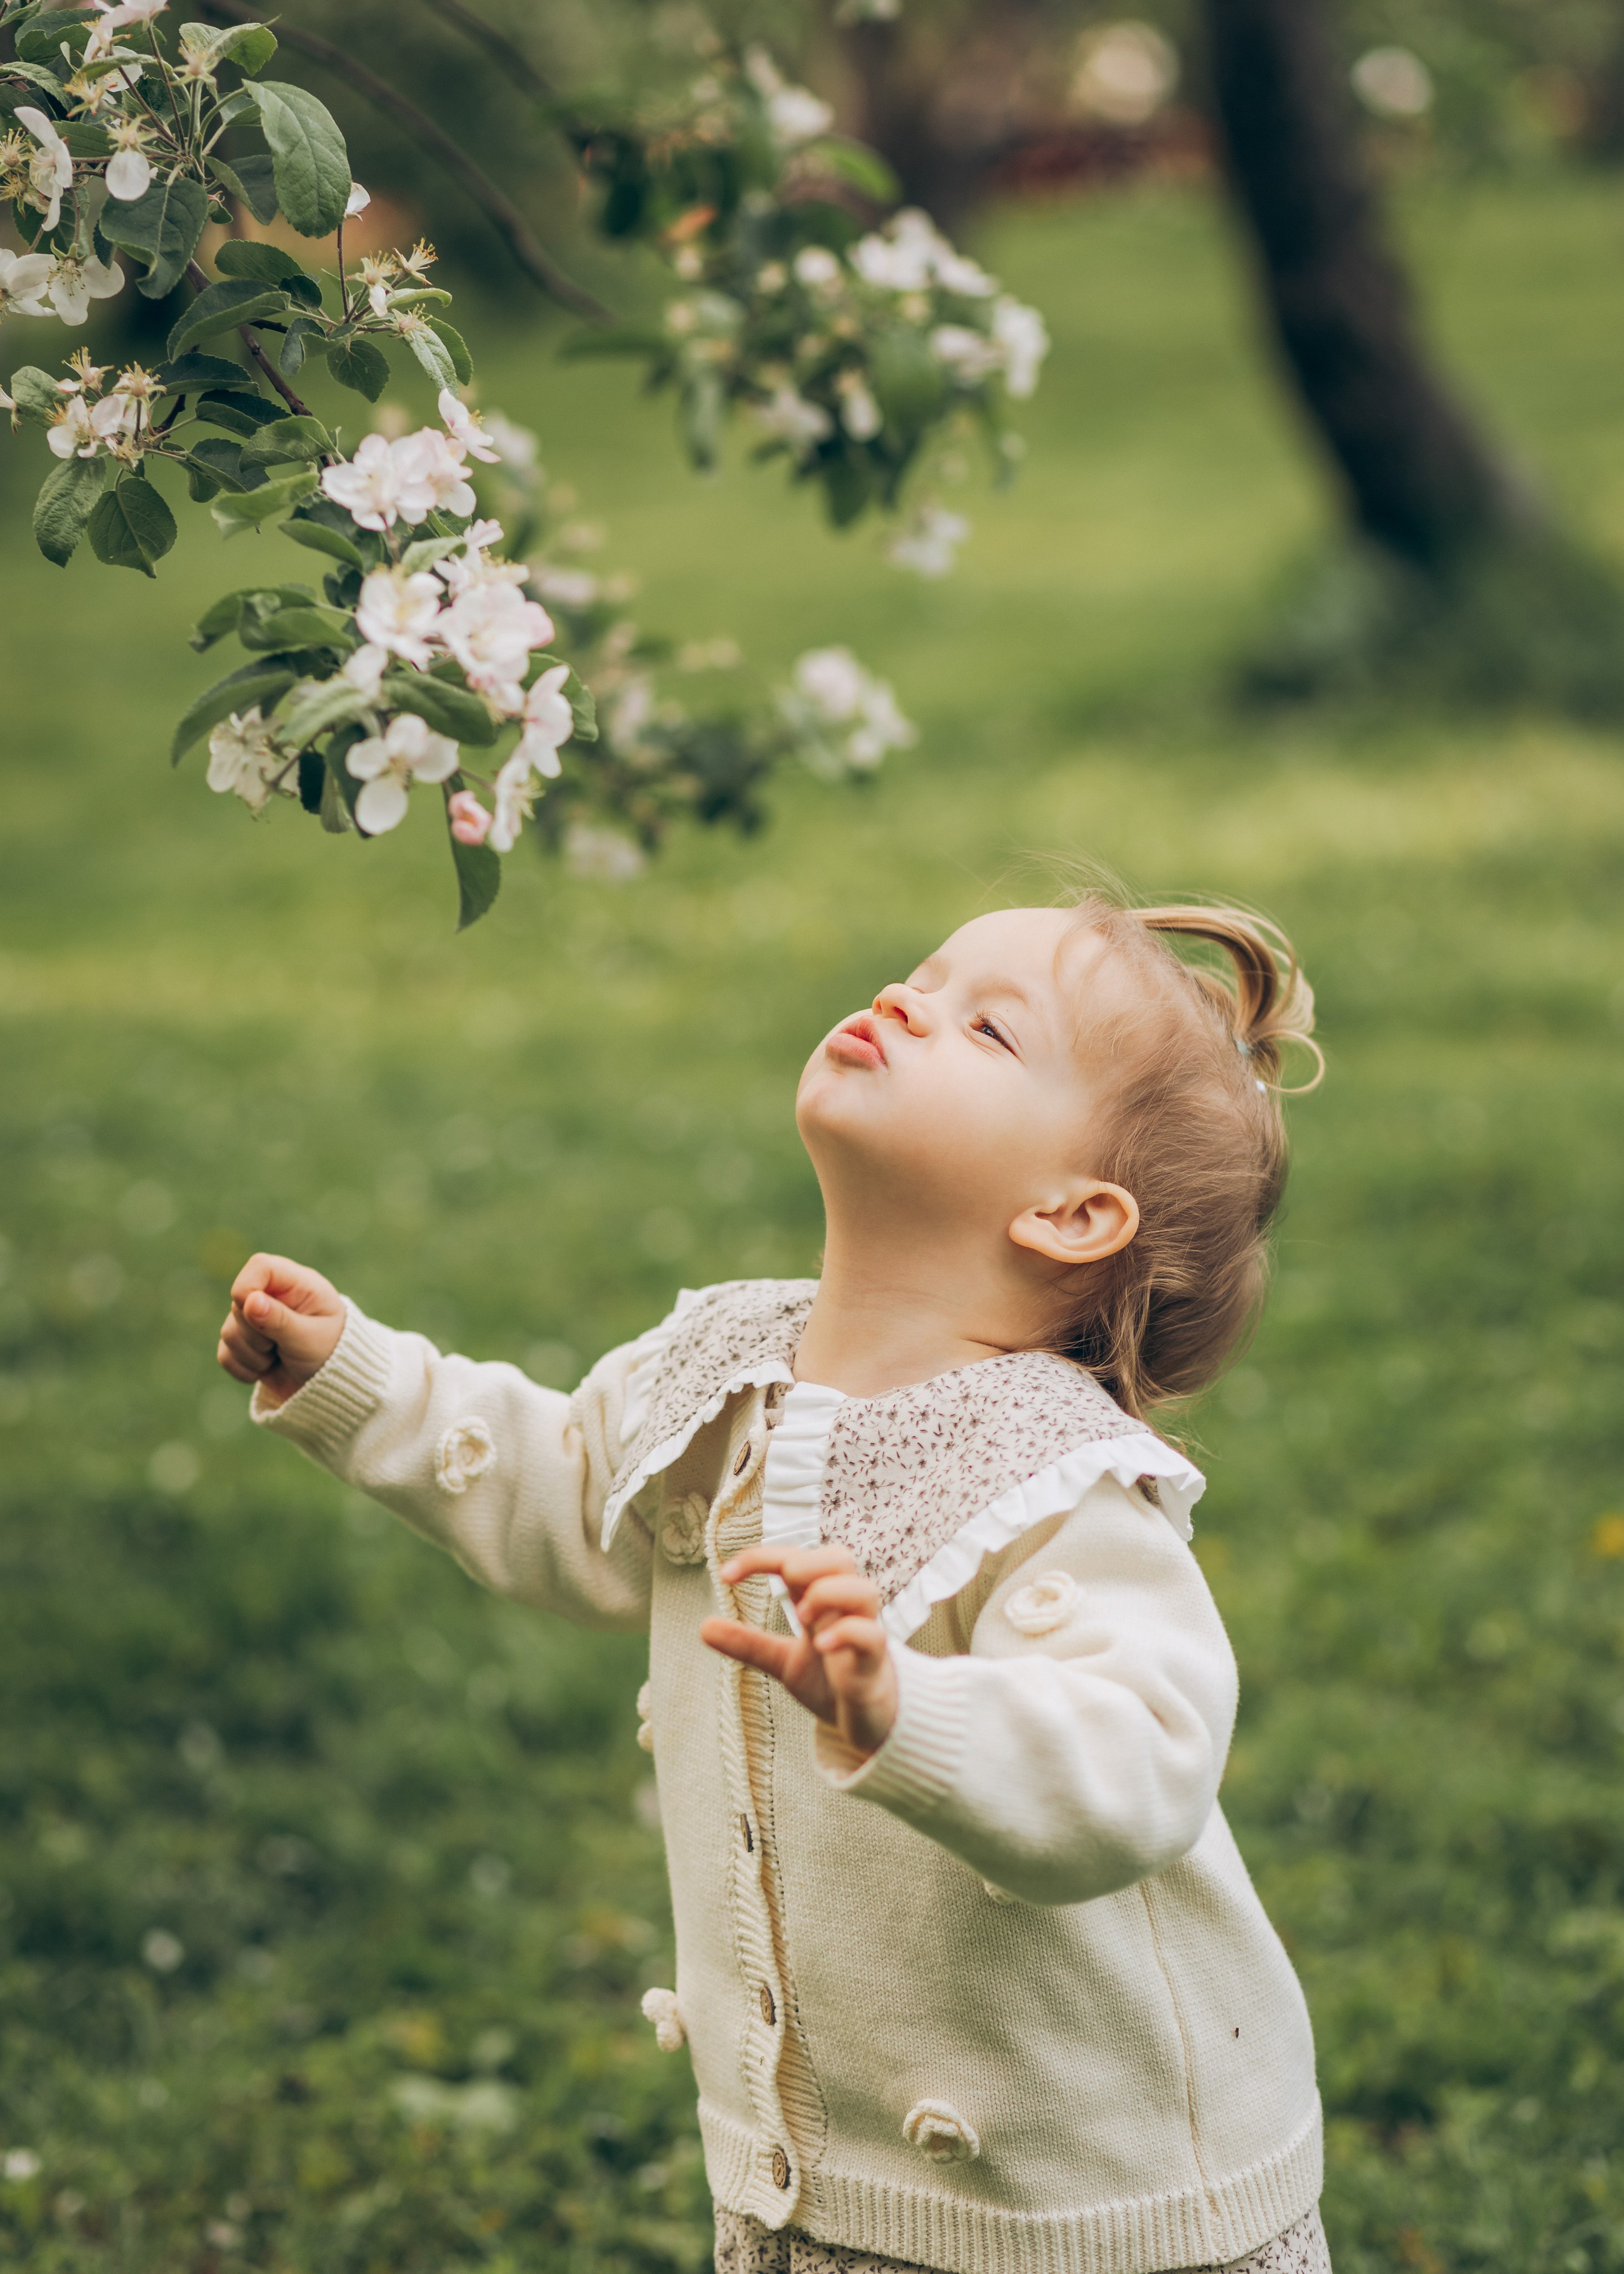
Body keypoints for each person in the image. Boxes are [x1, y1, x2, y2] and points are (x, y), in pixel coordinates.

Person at [218, 887, 1330, 2274]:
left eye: (988, 1029)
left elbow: (1141, 1757)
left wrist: (908, 1711)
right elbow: (569, 1490)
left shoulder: (1055, 1478)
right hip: (820, 2184)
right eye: (924, 974)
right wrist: (361, 1381)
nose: (910, 1000)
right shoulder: (723, 1369)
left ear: (1069, 1212)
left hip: (1097, 2207)